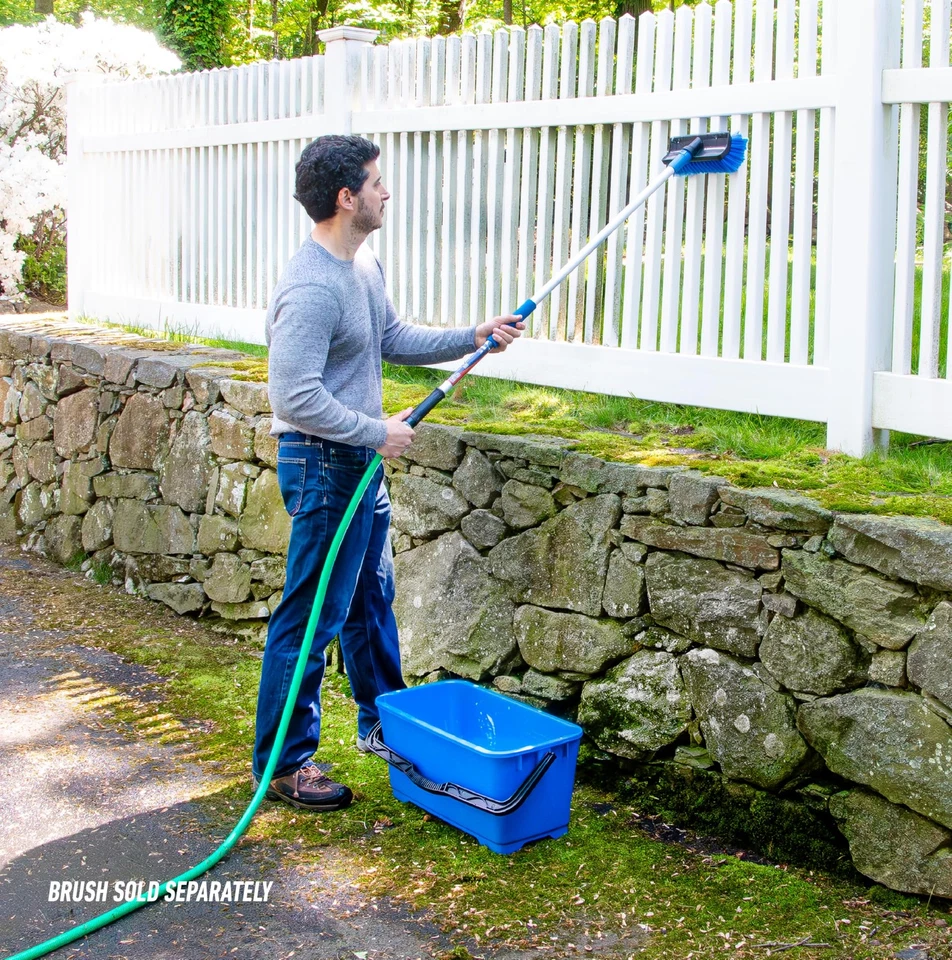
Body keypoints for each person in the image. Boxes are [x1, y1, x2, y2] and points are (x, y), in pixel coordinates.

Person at [252, 134, 523, 811]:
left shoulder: (360, 265)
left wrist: (473, 335)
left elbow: (391, 338)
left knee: (370, 606)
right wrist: (377, 431)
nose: (386, 191)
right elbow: (294, 396)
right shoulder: (312, 286)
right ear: (347, 198)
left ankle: (386, 726)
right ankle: (284, 766)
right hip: (323, 465)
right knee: (311, 617)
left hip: (358, 463)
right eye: (376, 182)